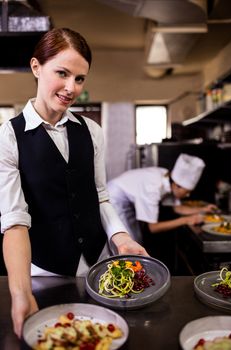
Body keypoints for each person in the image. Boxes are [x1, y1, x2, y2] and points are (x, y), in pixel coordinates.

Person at [0, 28, 148, 337]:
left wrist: (121, 238)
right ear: (36, 67)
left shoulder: (91, 131)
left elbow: (100, 195)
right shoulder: (8, 136)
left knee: (98, 337)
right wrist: (19, 291)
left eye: (79, 79)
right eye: (62, 73)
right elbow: (14, 221)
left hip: (97, 263)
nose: (71, 88)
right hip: (44, 271)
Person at [107, 153, 217, 244]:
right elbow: (153, 228)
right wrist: (186, 220)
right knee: (128, 242)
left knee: (135, 239)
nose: (188, 196)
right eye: (187, 192)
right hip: (114, 200)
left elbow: (178, 208)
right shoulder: (153, 187)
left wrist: (204, 209)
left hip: (126, 203)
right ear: (177, 185)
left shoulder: (168, 178)